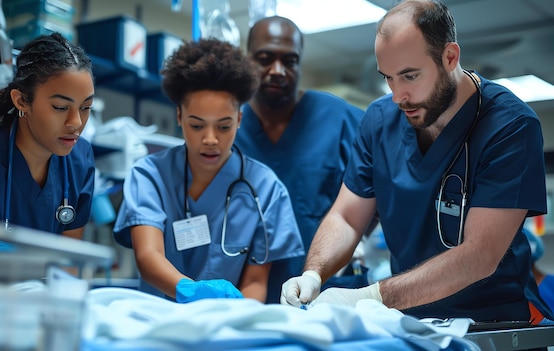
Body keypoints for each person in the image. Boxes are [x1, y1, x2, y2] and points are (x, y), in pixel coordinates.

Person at [280, 0, 554, 324]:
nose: (398, 96)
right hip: (407, 325)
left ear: (450, 57)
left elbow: (480, 255)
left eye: (409, 76)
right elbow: (348, 217)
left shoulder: (509, 126)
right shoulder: (379, 121)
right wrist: (314, 274)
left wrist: (372, 296)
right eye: (388, 78)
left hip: (491, 324)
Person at [112, 38, 304, 303]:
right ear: (179, 117)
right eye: (197, 125)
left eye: (223, 126)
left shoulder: (266, 189)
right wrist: (191, 292)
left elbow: (255, 282)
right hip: (158, 324)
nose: (210, 139)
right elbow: (148, 256)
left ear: (239, 119)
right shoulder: (149, 175)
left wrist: (234, 322)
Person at [234, 16, 366, 303]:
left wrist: (356, 237)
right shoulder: (226, 127)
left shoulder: (339, 118)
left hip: (327, 290)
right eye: (265, 58)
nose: (277, 70)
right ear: (247, 61)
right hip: (247, 291)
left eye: (290, 60)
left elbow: (380, 184)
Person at [0, 32, 95, 239]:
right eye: (60, 107)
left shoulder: (80, 159)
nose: (76, 122)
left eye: (85, 107)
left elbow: (68, 260)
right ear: (21, 101)